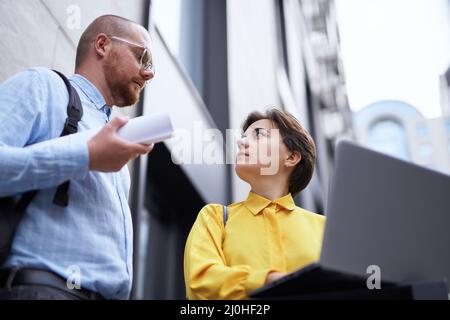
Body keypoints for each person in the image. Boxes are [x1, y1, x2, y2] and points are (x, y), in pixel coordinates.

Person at [0, 15, 155, 300]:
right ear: (102, 45)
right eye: (142, 57)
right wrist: (85, 155)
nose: (149, 73)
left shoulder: (112, 137)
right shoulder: (44, 86)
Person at [184, 108, 325, 300]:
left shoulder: (325, 229)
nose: (241, 142)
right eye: (244, 136)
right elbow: (200, 282)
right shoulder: (215, 217)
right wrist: (268, 281)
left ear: (291, 157)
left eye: (259, 134)